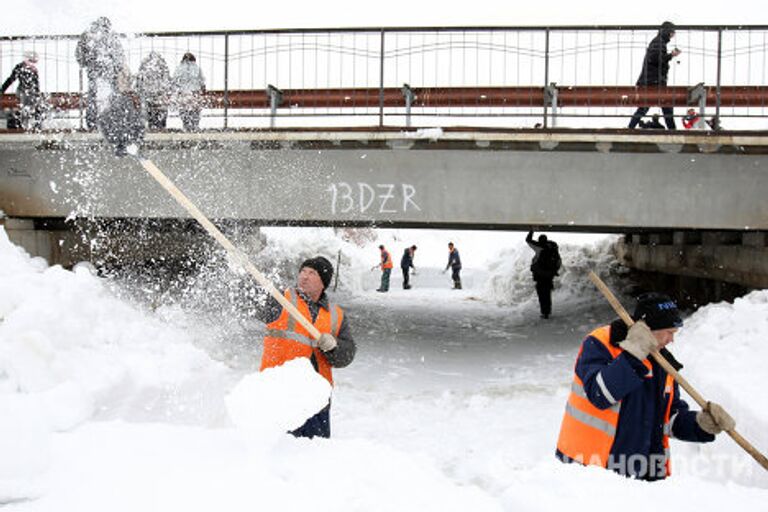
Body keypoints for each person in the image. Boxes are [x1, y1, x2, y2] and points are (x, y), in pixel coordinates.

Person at [555, 293, 735, 481]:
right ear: (648, 329)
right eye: (669, 332)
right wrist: (633, 355)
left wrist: (700, 425)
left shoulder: (662, 363)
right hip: (590, 472)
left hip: (640, 474)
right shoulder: (601, 344)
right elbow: (600, 394)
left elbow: (667, 419)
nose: (671, 340)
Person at [256, 256, 356, 439]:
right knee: (277, 454)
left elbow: (347, 354)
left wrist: (334, 348)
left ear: (323, 282)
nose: (304, 276)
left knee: (315, 457)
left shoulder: (336, 315)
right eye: (303, 271)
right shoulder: (281, 299)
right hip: (279, 392)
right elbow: (254, 301)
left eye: (312, 273)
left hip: (316, 398)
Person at [75, 17, 126, 131]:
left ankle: (92, 122)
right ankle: (110, 122)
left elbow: (79, 54)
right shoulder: (111, 36)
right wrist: (117, 67)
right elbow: (119, 55)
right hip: (109, 71)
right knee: (110, 95)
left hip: (94, 70)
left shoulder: (88, 35)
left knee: (93, 95)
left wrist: (85, 62)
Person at [628, 21, 681, 130]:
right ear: (668, 32)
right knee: (665, 105)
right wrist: (671, 55)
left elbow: (655, 59)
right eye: (672, 32)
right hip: (654, 82)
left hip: (651, 81)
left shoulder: (658, 42)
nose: (673, 35)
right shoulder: (658, 43)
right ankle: (673, 131)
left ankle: (630, 128)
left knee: (645, 106)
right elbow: (656, 59)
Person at [98, 65, 145, 157]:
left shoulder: (134, 98)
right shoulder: (114, 99)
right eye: (123, 77)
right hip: (122, 137)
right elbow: (104, 121)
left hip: (126, 137)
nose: (126, 80)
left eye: (128, 78)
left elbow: (140, 120)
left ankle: (123, 144)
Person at [1, 51, 46, 131]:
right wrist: (2, 90)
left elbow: (36, 84)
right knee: (25, 104)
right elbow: (11, 79)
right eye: (31, 61)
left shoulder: (33, 70)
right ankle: (22, 123)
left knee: (36, 104)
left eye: (34, 62)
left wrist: (37, 94)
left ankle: (35, 124)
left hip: (31, 92)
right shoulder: (20, 67)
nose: (32, 64)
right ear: (26, 60)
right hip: (22, 91)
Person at [526, 230, 561, 319]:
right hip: (549, 276)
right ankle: (547, 312)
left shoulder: (539, 247)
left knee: (542, 295)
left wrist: (531, 231)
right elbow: (559, 262)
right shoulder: (553, 248)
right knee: (547, 294)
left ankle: (544, 313)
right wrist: (553, 271)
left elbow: (528, 240)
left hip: (540, 276)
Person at [135, 51, 172, 130]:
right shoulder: (162, 66)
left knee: (150, 111)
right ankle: (161, 127)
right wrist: (166, 90)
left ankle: (152, 126)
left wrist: (139, 89)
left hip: (148, 93)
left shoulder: (145, 66)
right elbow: (167, 80)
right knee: (161, 111)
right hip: (160, 94)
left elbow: (139, 80)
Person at [172, 52, 206, 131]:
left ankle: (186, 126)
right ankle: (195, 127)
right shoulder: (197, 68)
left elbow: (174, 81)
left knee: (184, 111)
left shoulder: (178, 68)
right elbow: (202, 81)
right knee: (195, 111)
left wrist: (176, 91)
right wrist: (202, 89)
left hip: (183, 93)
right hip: (194, 93)